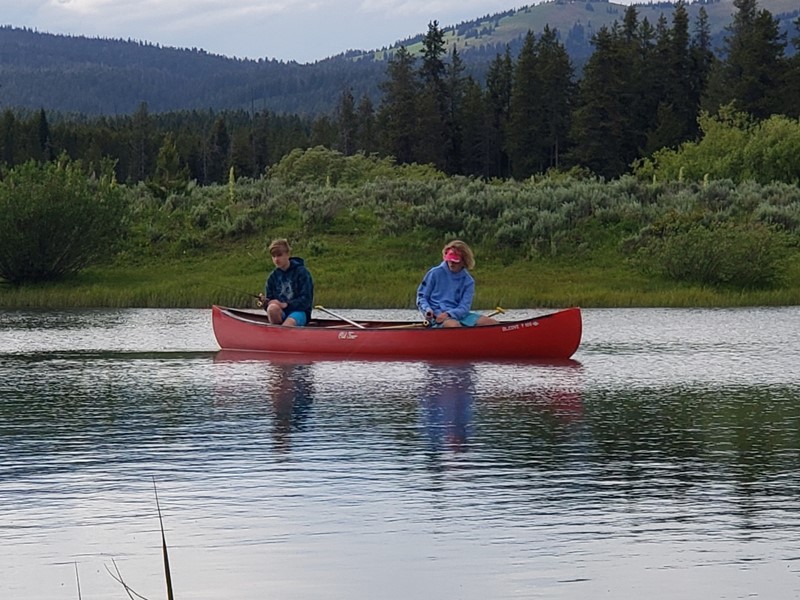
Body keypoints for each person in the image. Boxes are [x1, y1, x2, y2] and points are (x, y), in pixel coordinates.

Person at [416, 240, 497, 328]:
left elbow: (464, 307)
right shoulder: (434, 273)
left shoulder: (468, 281)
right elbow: (421, 297)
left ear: (464, 261)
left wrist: (449, 314)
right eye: (449, 260)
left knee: (491, 323)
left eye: (455, 261)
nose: (451, 263)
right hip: (437, 315)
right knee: (454, 325)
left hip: (459, 315)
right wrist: (427, 310)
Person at [257, 238, 314, 327]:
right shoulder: (272, 277)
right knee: (272, 309)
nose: (276, 259)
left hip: (299, 312)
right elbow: (270, 302)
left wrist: (285, 304)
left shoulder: (302, 273)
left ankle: (281, 334)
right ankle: (277, 334)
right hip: (281, 313)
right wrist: (266, 303)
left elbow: (306, 300)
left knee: (288, 325)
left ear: (287, 254)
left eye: (279, 255)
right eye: (273, 256)